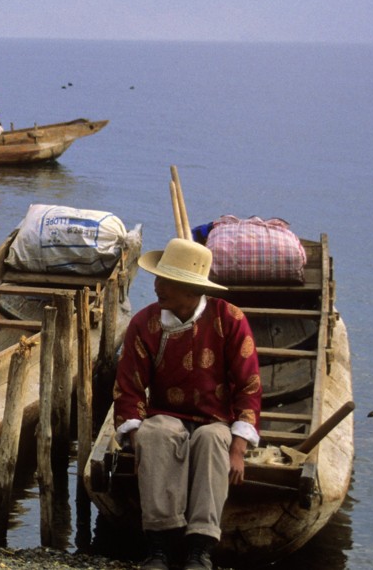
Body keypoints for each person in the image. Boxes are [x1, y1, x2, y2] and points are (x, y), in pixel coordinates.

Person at [112, 237, 261, 570]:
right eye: (159, 278)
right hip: (165, 414)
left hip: (217, 420)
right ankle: (159, 546)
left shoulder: (230, 319)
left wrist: (238, 448)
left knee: (212, 442)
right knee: (156, 434)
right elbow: (128, 388)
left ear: (191, 290)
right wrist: (137, 442)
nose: (156, 286)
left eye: (166, 281)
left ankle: (200, 548)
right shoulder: (144, 323)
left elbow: (249, 386)